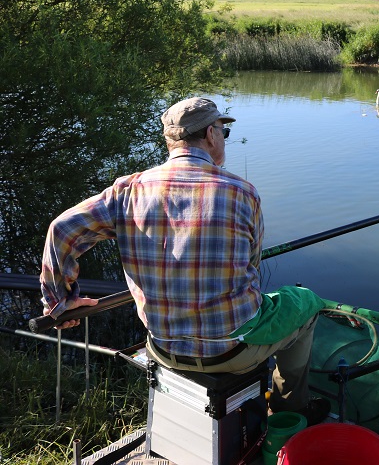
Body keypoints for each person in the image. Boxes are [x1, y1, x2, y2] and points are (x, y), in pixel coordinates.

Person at [40, 97, 328, 421]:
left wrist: (59, 301)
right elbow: (252, 265)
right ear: (210, 134)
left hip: (163, 347)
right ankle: (289, 410)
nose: (223, 139)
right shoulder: (242, 192)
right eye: (223, 132)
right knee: (305, 303)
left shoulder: (127, 191)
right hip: (233, 350)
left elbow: (61, 230)